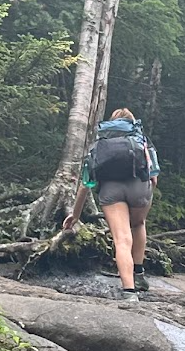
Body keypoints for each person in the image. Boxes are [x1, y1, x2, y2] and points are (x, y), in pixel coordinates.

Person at [62, 108, 161, 302]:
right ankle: (139, 273)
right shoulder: (142, 139)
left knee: (122, 240)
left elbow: (85, 185)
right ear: (132, 122)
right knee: (138, 224)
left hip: (110, 192)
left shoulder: (100, 144)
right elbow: (154, 177)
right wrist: (145, 194)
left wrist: (75, 216)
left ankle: (129, 293)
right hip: (140, 188)